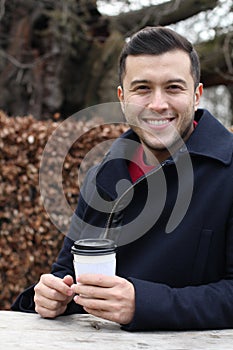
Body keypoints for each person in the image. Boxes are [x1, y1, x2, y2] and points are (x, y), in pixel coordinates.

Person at [12, 26, 233, 331]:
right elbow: (68, 274)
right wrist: (51, 297)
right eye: (142, 88)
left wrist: (143, 303)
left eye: (173, 88)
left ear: (196, 95)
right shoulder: (102, 176)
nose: (158, 104)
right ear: (122, 97)